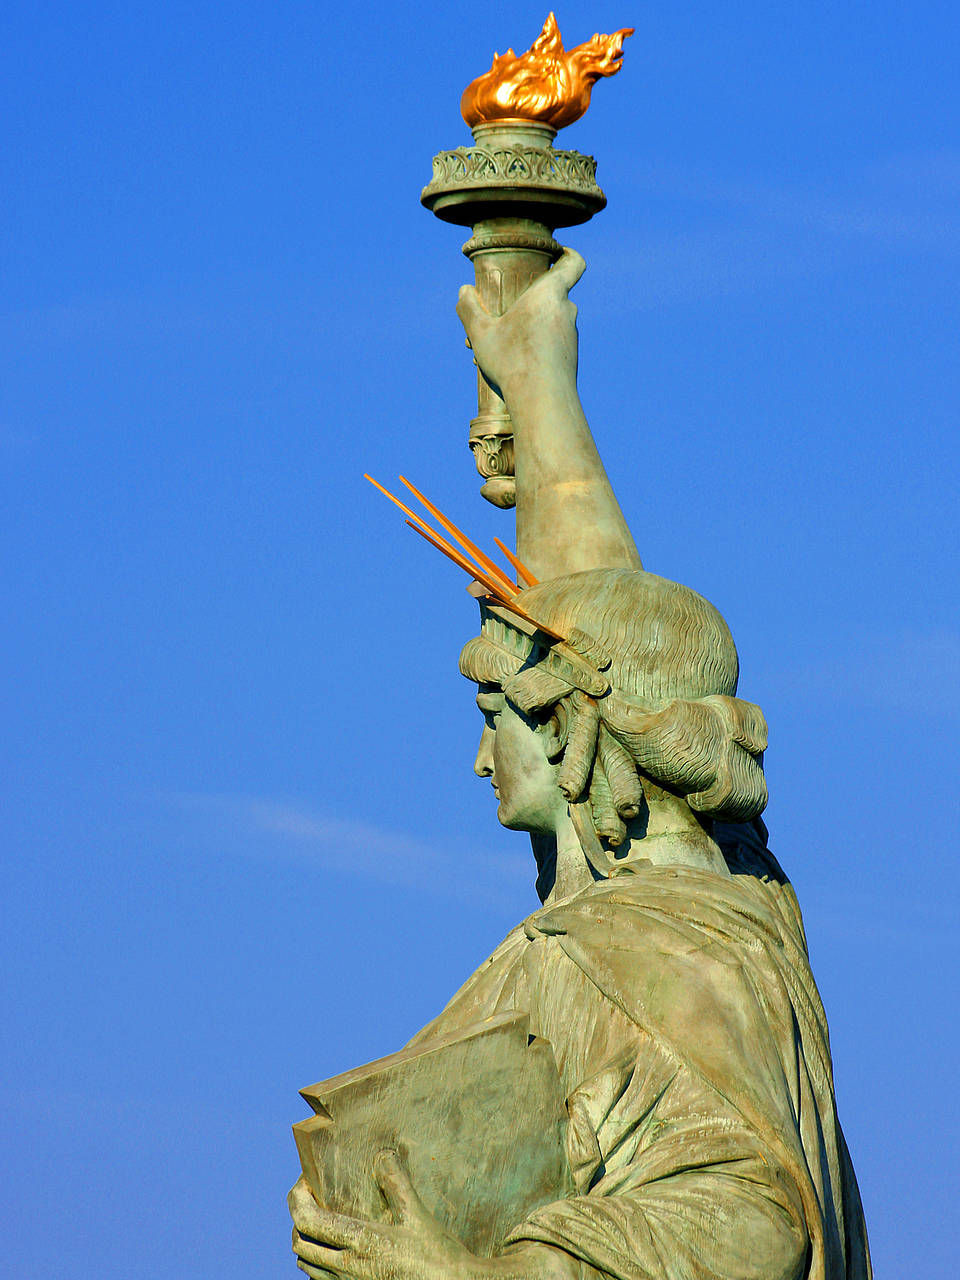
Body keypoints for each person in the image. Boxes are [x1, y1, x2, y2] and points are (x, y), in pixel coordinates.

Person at [289, 251, 872, 1280]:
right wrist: (535, 376)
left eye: (493, 715)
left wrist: (451, 1274)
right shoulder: (740, 897)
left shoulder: (628, 956)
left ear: (573, 727)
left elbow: (753, 1225)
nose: (480, 759)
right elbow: (606, 607)